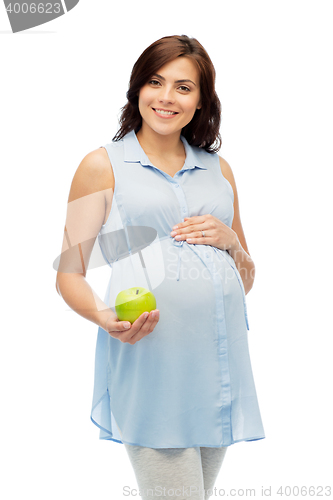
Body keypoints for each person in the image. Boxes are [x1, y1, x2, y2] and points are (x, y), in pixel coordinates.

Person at [56, 34, 265, 500]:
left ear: (201, 101)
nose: (166, 97)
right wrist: (105, 318)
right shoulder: (101, 165)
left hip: (220, 365)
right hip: (153, 362)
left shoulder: (219, 169)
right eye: (155, 82)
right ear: (138, 90)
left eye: (183, 87)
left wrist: (231, 243)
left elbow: (245, 278)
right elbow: (69, 273)